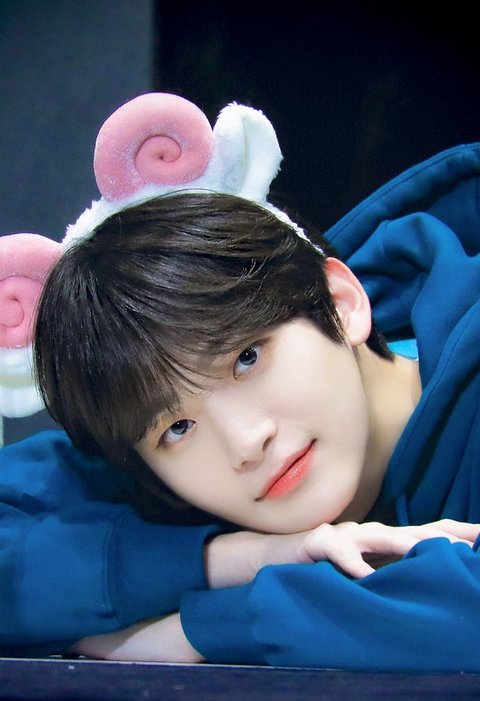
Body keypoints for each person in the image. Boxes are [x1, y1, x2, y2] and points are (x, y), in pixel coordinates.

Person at [3, 93, 480, 669]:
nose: (245, 441)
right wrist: (230, 559)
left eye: (247, 359)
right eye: (177, 428)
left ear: (340, 302)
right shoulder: (175, 486)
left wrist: (203, 629)